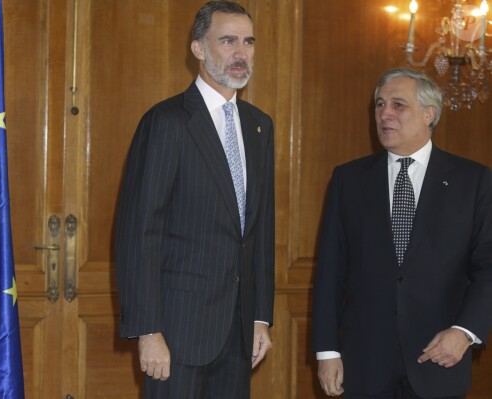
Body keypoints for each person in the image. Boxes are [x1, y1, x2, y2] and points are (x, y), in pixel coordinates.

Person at [115, 1, 274, 397]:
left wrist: (260, 318)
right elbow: (139, 231)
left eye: (248, 41)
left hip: (238, 334)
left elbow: (260, 228)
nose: (241, 53)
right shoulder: (166, 122)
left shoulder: (259, 126)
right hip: (177, 332)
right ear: (199, 49)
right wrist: (148, 331)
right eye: (228, 41)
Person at [312, 68, 492, 399]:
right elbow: (330, 271)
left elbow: (489, 268)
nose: (385, 114)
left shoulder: (474, 181)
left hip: (439, 358)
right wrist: (327, 351)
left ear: (429, 114)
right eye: (380, 105)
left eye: (398, 105)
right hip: (363, 363)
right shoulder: (348, 180)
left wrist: (465, 332)